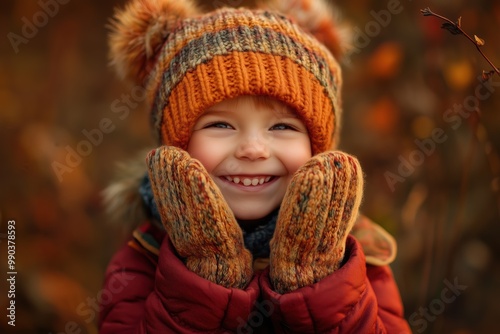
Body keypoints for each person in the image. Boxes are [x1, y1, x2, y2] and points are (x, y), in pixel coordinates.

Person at [99, 0, 411, 332]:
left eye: (282, 127)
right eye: (220, 125)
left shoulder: (356, 259)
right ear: (177, 145)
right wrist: (203, 273)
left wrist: (316, 278)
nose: (253, 149)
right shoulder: (142, 259)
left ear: (318, 149)